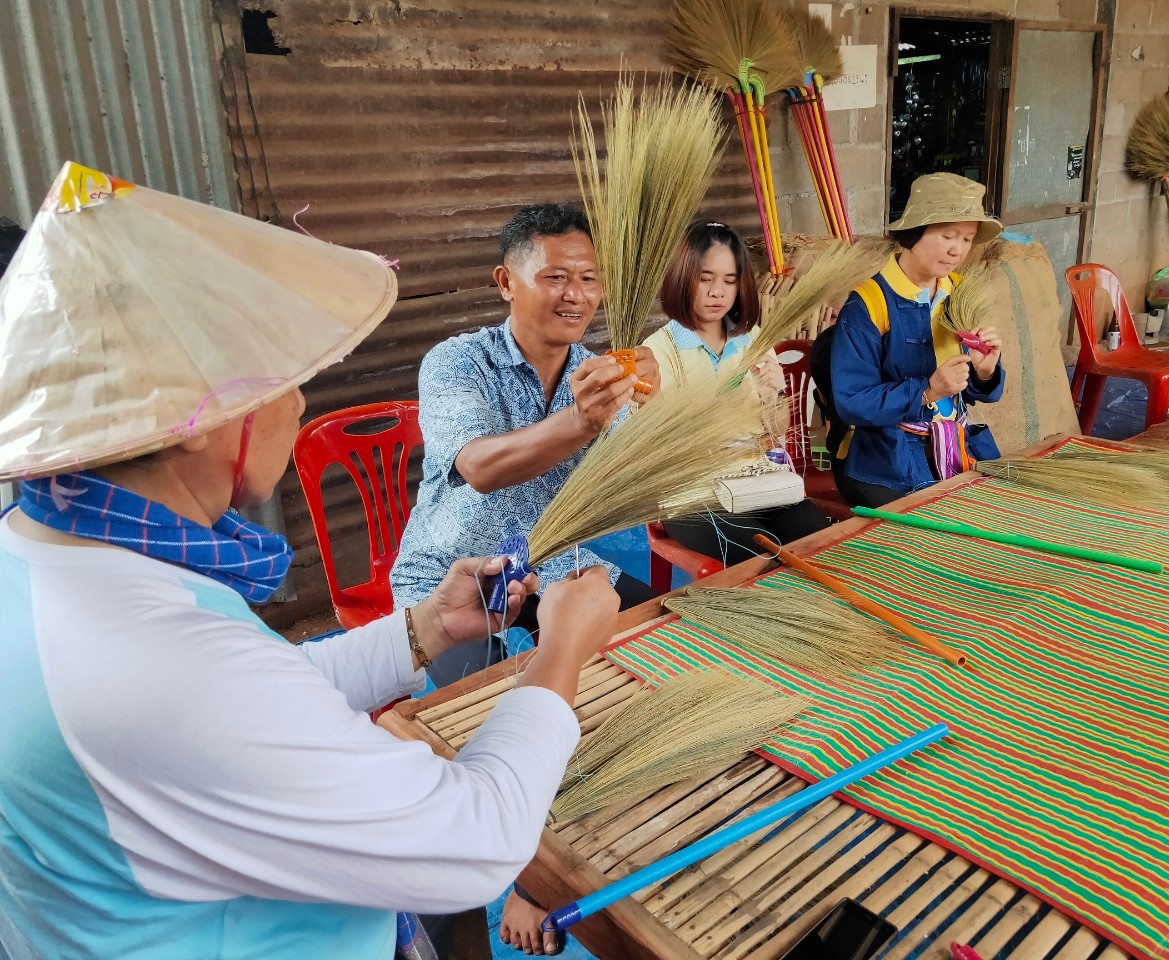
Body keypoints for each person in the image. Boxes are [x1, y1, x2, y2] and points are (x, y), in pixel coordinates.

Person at [0, 163, 621, 960]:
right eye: (287, 375)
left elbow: (256, 703)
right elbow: (476, 842)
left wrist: (420, 630)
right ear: (195, 411)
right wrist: (563, 648)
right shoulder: (156, 665)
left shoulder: (48, 548)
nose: (299, 402)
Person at [390, 203, 659, 618]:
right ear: (506, 283)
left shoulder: (595, 377)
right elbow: (479, 468)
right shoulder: (458, 361)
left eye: (589, 279)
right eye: (555, 278)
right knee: (484, 684)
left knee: (656, 631)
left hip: (552, 561)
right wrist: (580, 421)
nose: (576, 295)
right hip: (453, 573)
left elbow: (627, 481)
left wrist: (648, 410)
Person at [641, 219, 829, 566]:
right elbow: (653, 449)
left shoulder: (752, 339)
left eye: (729, 281)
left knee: (817, 542)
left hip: (753, 478)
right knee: (765, 556)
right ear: (683, 277)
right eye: (705, 279)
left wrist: (773, 394)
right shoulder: (658, 351)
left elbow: (776, 434)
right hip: (691, 494)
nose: (718, 292)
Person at [828, 173, 1006, 506]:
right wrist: (927, 390)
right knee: (942, 527)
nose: (957, 250)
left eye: (967, 239)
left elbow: (969, 388)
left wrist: (984, 371)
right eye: (947, 235)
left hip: (953, 447)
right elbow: (851, 401)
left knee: (1007, 509)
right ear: (915, 232)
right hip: (882, 461)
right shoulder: (868, 303)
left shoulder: (958, 292)